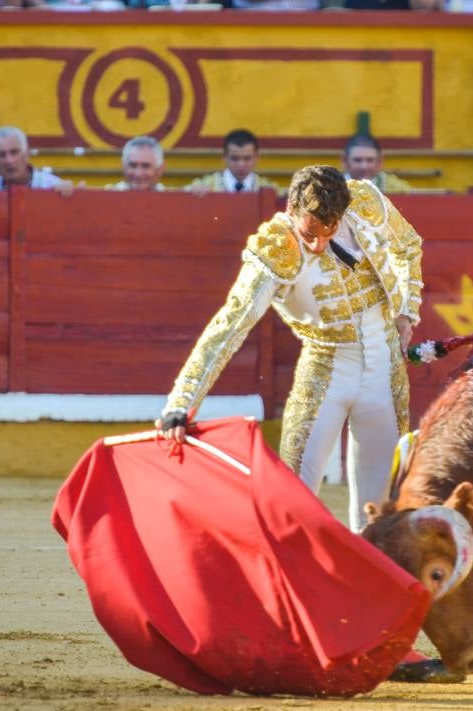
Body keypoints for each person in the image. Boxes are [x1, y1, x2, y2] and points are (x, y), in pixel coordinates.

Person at [157, 165, 423, 531]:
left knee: (381, 511)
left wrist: (407, 312)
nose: (317, 246)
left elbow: (408, 246)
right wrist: (181, 403)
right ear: (292, 210)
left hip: (386, 369)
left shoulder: (365, 201)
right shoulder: (276, 247)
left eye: (328, 232)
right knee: (291, 500)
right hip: (326, 369)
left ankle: (365, 588)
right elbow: (231, 323)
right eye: (310, 233)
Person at [184, 129, 281, 194]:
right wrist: (191, 193)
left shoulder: (270, 190)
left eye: (247, 158)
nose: (241, 165)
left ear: (257, 158)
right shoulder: (203, 186)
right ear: (224, 157)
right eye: (234, 158)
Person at [0, 126, 73, 192]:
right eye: (1, 155)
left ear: (27, 153)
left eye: (14, 152)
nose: (9, 160)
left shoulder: (53, 188)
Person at [341, 134, 412, 194]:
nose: (364, 166)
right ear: (345, 161)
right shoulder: (333, 188)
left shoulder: (399, 190)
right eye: (357, 160)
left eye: (370, 160)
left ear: (380, 161)